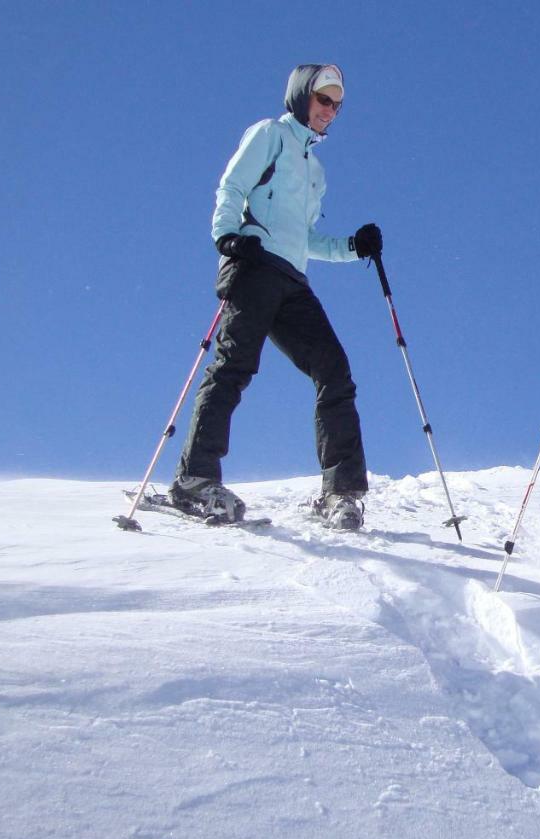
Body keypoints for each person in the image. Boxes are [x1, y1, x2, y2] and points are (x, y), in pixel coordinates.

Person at [170, 63, 382, 530]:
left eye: (337, 105)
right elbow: (232, 185)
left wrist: (352, 247)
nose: (331, 110)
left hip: (292, 279)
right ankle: (195, 480)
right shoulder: (270, 135)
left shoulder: (316, 170)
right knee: (234, 365)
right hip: (253, 264)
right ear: (302, 95)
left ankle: (340, 492)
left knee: (334, 369)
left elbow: (306, 238)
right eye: (324, 99)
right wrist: (227, 235)